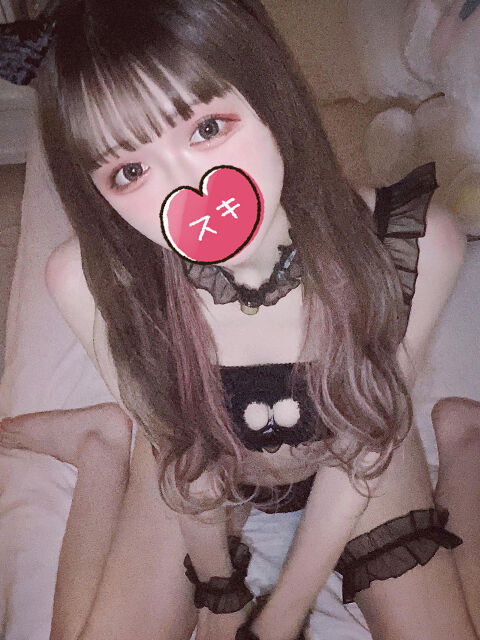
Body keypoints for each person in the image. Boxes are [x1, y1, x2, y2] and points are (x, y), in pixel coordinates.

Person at [0, 1, 479, 639]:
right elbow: (189, 465)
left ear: (269, 95)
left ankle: (466, 439)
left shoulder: (412, 248)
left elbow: (362, 451)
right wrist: (220, 598)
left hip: (356, 457)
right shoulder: (89, 283)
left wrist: (281, 616)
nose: (188, 191)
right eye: (130, 170)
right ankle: (101, 444)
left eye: (206, 128)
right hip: (208, 466)